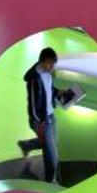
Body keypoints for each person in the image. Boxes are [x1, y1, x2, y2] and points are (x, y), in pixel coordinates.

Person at [18, 48, 61, 184]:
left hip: (50, 116)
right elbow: (32, 105)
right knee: (52, 155)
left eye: (53, 64)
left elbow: (49, 90)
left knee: (51, 144)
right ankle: (50, 182)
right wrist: (40, 122)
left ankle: (26, 145)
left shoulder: (48, 73)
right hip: (42, 120)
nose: (52, 67)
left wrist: (58, 92)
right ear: (42, 62)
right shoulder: (34, 79)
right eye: (49, 64)